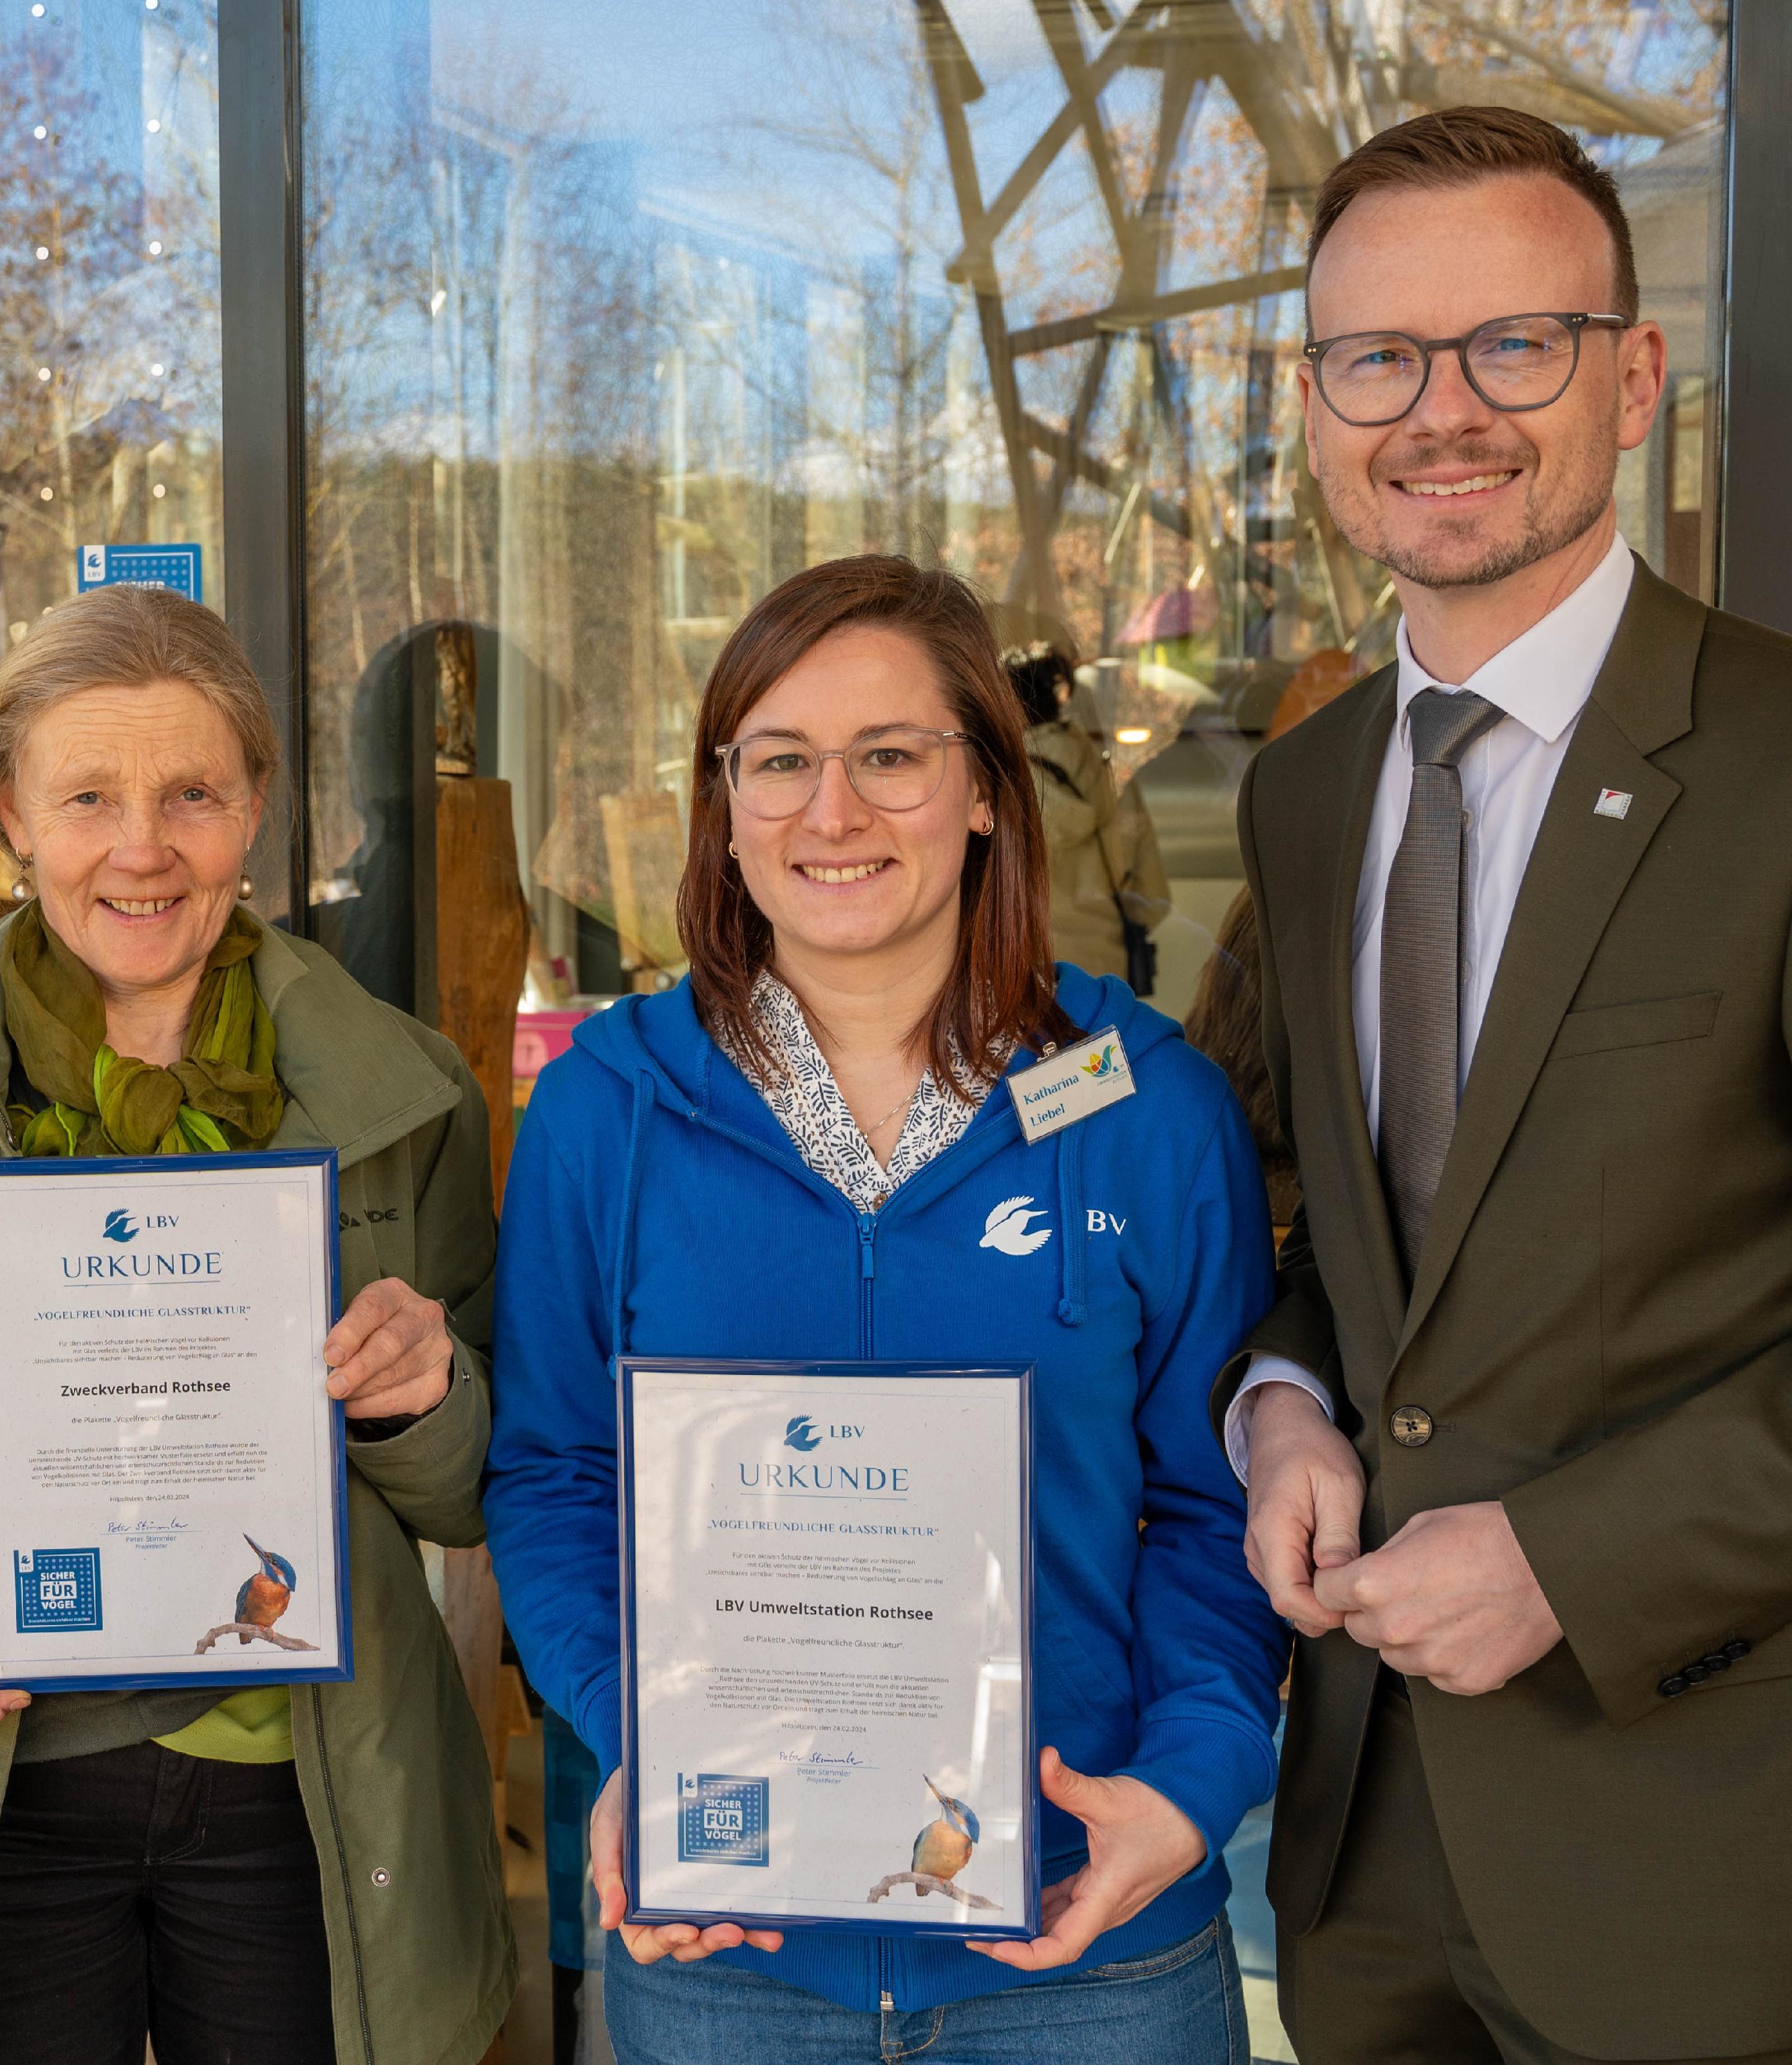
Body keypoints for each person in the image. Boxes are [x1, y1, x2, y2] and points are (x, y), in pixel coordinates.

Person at [0, 582, 514, 2065]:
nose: (142, 847)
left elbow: (471, 1482)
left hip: (305, 1798)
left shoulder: (402, 1092)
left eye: (191, 792)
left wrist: (422, 1395)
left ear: (254, 807)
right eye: (86, 797)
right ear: (9, 813)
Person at [488, 555, 1286, 2063]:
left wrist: (1186, 1782)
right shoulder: (606, 1110)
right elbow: (553, 1473)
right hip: (732, 1960)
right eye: (779, 760)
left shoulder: (1146, 1108)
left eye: (889, 757)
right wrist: (635, 1734)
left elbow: (1218, 1495)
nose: (831, 811)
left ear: (983, 789)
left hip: (1090, 1949)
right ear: (725, 803)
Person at [1224, 106, 1792, 2064]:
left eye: (1511, 345)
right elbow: (1354, 1231)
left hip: (1703, 1847)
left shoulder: (1781, 762)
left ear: (1631, 380)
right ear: (1315, 407)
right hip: (1362, 1851)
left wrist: (1571, 1558)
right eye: (1376, 356)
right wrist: (1282, 1403)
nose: (1438, 411)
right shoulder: (1303, 796)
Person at [1005, 640, 1173, 993]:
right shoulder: (1115, 779)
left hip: (1026, 970)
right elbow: (1154, 896)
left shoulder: (999, 787)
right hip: (1108, 974)